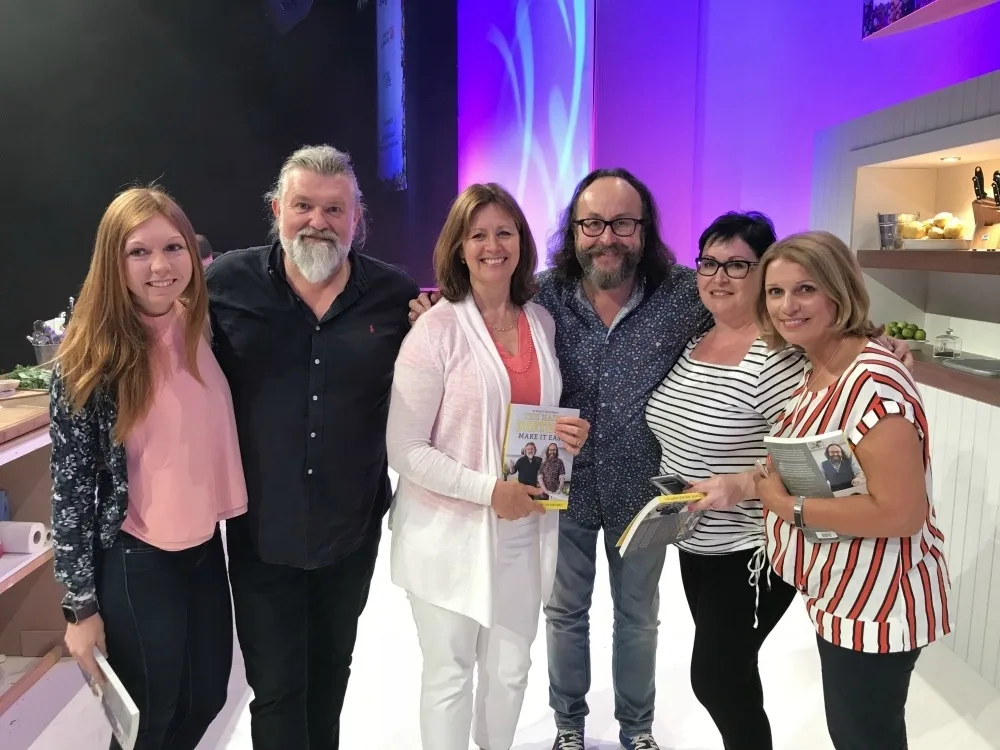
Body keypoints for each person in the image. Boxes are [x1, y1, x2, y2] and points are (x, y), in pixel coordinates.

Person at [205, 144, 419, 750]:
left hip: (349, 531)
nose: (317, 221)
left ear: (358, 218)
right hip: (261, 530)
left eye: (334, 208)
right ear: (277, 209)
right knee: (275, 690)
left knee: (330, 677)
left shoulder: (396, 299)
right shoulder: (226, 285)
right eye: (303, 205)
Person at [386, 182, 590, 750]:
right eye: (478, 235)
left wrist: (564, 439)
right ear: (458, 247)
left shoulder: (540, 323)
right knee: (450, 676)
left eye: (504, 232)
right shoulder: (437, 329)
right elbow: (403, 447)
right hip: (448, 533)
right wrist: (485, 490)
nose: (492, 245)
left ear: (521, 244)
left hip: (522, 527)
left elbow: (531, 423)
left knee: (509, 672)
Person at [51, 186, 247, 750]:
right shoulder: (91, 357)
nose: (160, 266)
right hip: (139, 557)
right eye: (139, 252)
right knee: (149, 715)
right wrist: (79, 606)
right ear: (114, 260)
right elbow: (70, 487)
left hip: (205, 549)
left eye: (173, 247)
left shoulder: (202, 327)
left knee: (207, 696)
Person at [753, 230, 952, 750]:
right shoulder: (821, 366)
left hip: (879, 598)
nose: (787, 306)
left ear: (839, 292)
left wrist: (786, 506)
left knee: (865, 736)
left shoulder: (873, 381)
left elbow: (901, 514)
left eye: (805, 289)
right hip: (841, 590)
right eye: (775, 292)